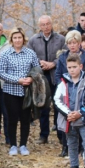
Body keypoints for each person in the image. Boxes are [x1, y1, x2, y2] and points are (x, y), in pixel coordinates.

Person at [0, 27, 41, 157]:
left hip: (27, 92)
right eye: (15, 38)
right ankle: (12, 145)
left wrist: (30, 78)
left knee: (25, 119)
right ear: (11, 39)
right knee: (11, 119)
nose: (17, 40)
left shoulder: (30, 53)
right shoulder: (6, 54)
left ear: (23, 39)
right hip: (10, 91)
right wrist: (18, 80)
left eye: (19, 37)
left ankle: (23, 144)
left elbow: (37, 69)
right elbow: (1, 73)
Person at [53, 54, 85, 168]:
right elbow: (57, 100)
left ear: (80, 66)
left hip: (83, 119)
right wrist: (68, 113)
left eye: (74, 67)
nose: (72, 70)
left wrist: (80, 112)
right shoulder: (64, 82)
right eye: (69, 67)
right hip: (69, 120)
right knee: (72, 144)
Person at [27, 15, 65, 144]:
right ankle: (43, 135)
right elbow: (30, 56)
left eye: (48, 24)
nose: (46, 26)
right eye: (43, 24)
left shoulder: (60, 39)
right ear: (39, 26)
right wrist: (40, 63)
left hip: (56, 75)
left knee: (58, 104)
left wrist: (53, 63)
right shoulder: (33, 40)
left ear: (52, 24)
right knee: (43, 105)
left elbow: (64, 55)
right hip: (41, 76)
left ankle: (61, 134)